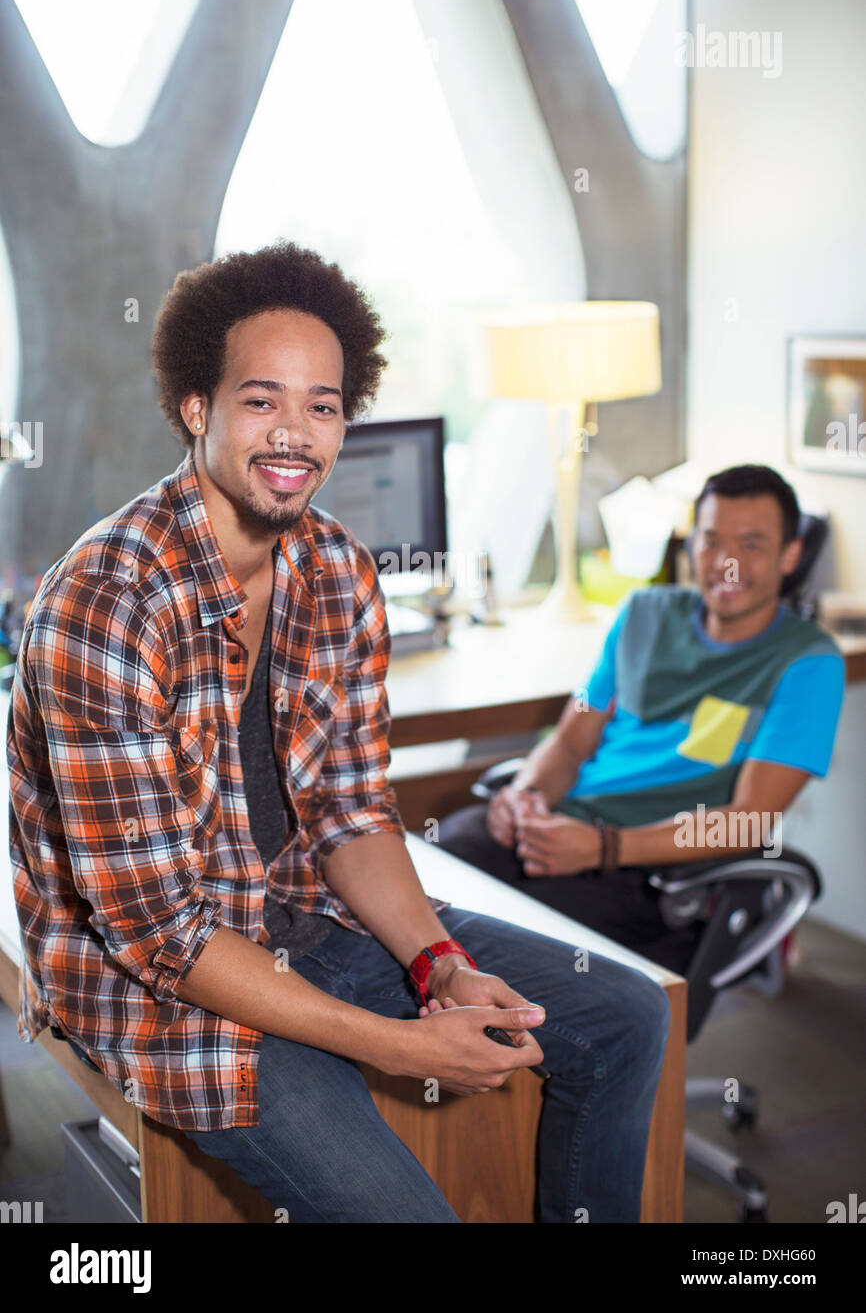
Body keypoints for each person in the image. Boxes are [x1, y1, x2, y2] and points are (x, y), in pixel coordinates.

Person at [7, 240, 669, 1224]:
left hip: (295, 916)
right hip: (157, 980)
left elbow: (349, 810)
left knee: (622, 1013)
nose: (295, 432)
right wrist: (397, 1041)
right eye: (261, 399)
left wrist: (435, 966)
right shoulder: (107, 605)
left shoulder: (337, 569)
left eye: (321, 405)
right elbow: (163, 935)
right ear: (198, 408)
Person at [438, 466, 845, 976]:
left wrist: (606, 848)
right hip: (562, 823)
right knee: (426, 881)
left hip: (645, 869)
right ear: (690, 544)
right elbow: (568, 743)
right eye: (712, 540)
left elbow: (751, 821)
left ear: (791, 555)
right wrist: (524, 795)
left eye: (752, 545)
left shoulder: (809, 663)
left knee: (497, 952)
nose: (727, 564)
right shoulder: (643, 614)